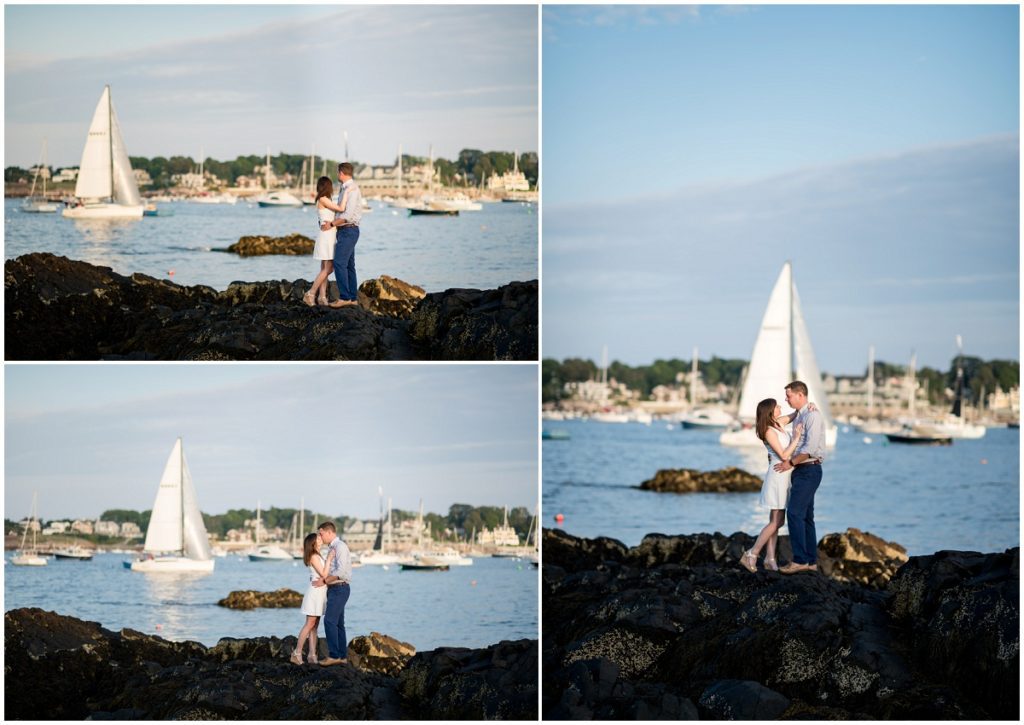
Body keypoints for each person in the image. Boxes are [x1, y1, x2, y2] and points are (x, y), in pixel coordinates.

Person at [740, 398, 803, 573]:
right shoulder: (768, 431)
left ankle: (770, 558)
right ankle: (751, 553)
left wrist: (805, 406)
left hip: (785, 476)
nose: (781, 408)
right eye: (777, 406)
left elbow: (794, 414)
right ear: (770, 410)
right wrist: (796, 438)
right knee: (777, 521)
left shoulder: (777, 423)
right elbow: (784, 456)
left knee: (775, 520)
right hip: (778, 477)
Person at [772, 380, 826, 574]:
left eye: (789, 395)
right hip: (802, 471)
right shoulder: (801, 415)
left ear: (800, 395)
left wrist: (790, 463)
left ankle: (800, 560)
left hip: (809, 469)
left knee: (794, 513)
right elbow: (779, 422)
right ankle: (810, 562)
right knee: (806, 517)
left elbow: (810, 449)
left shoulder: (812, 416)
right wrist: (797, 412)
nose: (786, 399)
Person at [319, 162, 363, 308]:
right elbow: (340, 211)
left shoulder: (351, 189)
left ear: (342, 173)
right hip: (345, 231)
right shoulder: (345, 188)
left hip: (349, 229)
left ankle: (344, 297)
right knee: (349, 265)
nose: (337, 175)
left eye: (338, 172)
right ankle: (353, 298)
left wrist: (331, 224)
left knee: (339, 263)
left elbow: (347, 215)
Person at [303, 177, 350, 307]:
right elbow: (341, 208)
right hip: (326, 236)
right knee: (329, 269)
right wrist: (346, 192)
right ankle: (310, 293)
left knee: (325, 268)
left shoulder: (326, 199)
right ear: (327, 186)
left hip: (329, 234)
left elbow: (328, 217)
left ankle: (322, 297)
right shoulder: (323, 199)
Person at [290, 531, 336, 664]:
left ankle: (312, 655)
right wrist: (329, 559)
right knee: (309, 624)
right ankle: (297, 653)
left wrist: (328, 560)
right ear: (313, 543)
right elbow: (323, 574)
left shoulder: (318, 554)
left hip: (320, 593)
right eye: (318, 539)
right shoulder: (314, 556)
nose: (321, 539)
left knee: (315, 626)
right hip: (315, 593)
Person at [311, 521, 352, 665]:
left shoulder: (339, 546)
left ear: (329, 532)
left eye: (321, 533)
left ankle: (334, 656)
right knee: (339, 624)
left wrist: (325, 581)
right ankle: (342, 657)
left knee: (329, 621)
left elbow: (340, 571)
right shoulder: (332, 548)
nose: (320, 536)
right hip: (335, 589)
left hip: (340, 588)